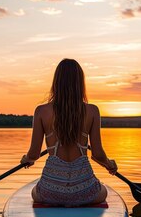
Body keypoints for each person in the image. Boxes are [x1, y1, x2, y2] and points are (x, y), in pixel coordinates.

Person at [20, 58, 118, 206]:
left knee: (34, 192)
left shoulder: (41, 111)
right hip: (85, 192)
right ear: (80, 82)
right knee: (104, 191)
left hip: (50, 192)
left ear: (56, 82)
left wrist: (26, 159)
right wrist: (109, 164)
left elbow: (33, 155)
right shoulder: (92, 111)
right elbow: (97, 155)